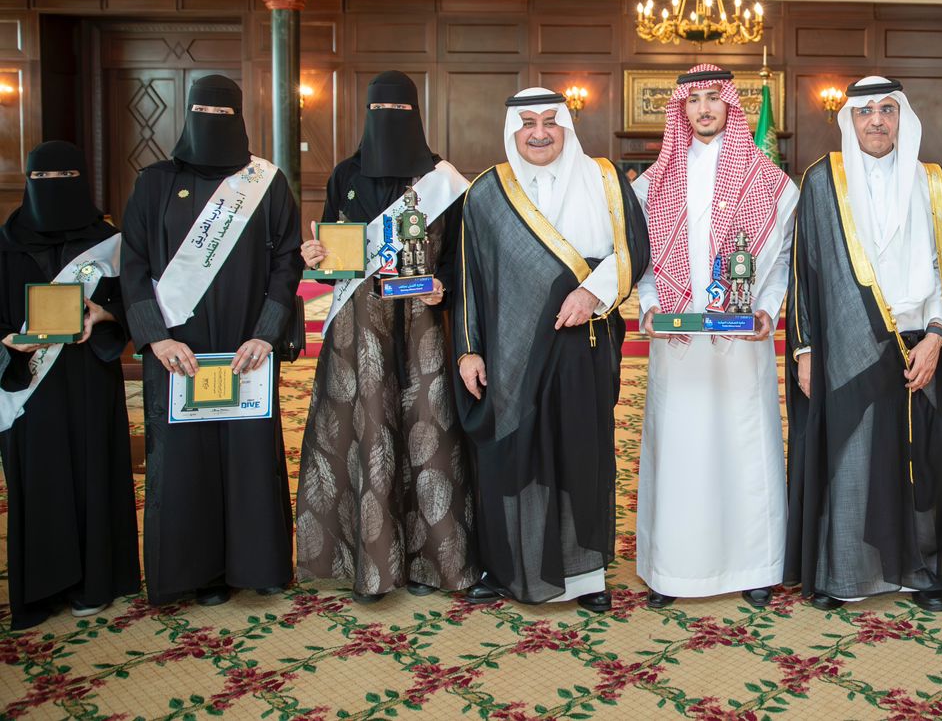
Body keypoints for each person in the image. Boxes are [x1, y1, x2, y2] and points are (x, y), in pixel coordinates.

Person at [455, 87, 647, 610]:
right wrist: (469, 350)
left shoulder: (604, 179)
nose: (539, 133)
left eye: (550, 122)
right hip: (509, 351)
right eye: (528, 124)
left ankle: (586, 576)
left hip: (582, 344)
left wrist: (592, 293)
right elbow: (470, 277)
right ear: (513, 130)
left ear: (566, 126)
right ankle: (504, 568)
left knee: (580, 455)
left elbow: (634, 249)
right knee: (512, 456)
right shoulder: (487, 191)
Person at [785, 77, 942, 613]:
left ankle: (919, 574)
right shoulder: (823, 181)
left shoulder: (931, 182)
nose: (877, 121)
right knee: (851, 460)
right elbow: (803, 272)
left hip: (918, 344)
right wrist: (805, 350)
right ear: (850, 120)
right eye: (865, 112)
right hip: (847, 347)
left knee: (920, 461)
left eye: (887, 109)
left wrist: (936, 337)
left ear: (902, 116)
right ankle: (843, 574)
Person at [120, 75, 301, 605]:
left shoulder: (265, 182)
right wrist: (156, 339)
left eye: (225, 114)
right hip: (178, 350)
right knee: (184, 459)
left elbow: (286, 261)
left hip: (247, 347)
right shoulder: (154, 182)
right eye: (205, 112)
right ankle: (197, 573)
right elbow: (133, 266)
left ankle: (258, 563)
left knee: (250, 453)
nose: (214, 123)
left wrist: (266, 333)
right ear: (188, 115)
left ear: (240, 119)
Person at [296, 71, 475, 603]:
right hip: (359, 328)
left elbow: (460, 257)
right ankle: (371, 565)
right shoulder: (345, 175)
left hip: (423, 325)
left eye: (399, 112)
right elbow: (332, 252)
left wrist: (443, 286)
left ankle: (431, 563)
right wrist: (316, 257)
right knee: (366, 431)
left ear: (416, 115)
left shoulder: (442, 179)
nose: (389, 121)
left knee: (427, 434)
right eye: (381, 111)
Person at [634, 65, 798, 609]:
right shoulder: (653, 183)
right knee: (678, 450)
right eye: (694, 100)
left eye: (713, 97)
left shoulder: (770, 181)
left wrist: (768, 310)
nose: (704, 108)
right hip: (677, 343)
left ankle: (755, 566)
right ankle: (671, 570)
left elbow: (783, 261)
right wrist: (651, 306)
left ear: (730, 104)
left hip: (740, 342)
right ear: (680, 109)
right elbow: (641, 262)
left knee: (743, 446)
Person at [0, 142, 138, 628]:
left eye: (64, 176)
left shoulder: (108, 241)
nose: (52, 186)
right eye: (42, 177)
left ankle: (95, 582)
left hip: (89, 378)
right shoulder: (6, 242)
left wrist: (105, 315)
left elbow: (136, 301)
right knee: (39, 476)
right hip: (29, 384)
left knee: (92, 470)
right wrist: (7, 341)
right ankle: (41, 588)